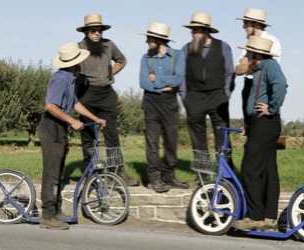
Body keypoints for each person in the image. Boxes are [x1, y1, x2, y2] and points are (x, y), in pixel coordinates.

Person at [38, 42, 107, 230]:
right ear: (74, 62)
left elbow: (76, 104)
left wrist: (95, 118)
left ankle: (56, 210)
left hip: (59, 128)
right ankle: (47, 216)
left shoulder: (70, 78)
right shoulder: (60, 78)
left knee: (59, 171)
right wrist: (72, 121)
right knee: (52, 172)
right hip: (51, 127)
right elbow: (50, 106)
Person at [75, 13, 139, 186]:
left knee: (112, 135)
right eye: (94, 30)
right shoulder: (79, 47)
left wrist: (111, 73)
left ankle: (118, 170)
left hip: (107, 95)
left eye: (99, 30)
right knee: (88, 134)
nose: (97, 33)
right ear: (86, 31)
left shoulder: (109, 45)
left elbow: (122, 60)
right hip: (86, 93)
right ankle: (90, 170)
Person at [233, 36, 287, 231]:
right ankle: (269, 218)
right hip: (259, 123)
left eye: (248, 52)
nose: (245, 55)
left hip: (266, 122)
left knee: (249, 168)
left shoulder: (270, 66)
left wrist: (271, 108)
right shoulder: (258, 70)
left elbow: (281, 85)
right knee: (267, 170)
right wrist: (249, 124)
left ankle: (255, 216)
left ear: (256, 54)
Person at [139, 22, 189, 193]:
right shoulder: (146, 58)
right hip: (150, 102)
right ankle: (154, 178)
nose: (146, 41)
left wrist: (157, 80)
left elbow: (178, 79)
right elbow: (144, 82)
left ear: (159, 39)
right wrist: (164, 84)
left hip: (169, 102)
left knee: (171, 140)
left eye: (149, 38)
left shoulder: (178, 55)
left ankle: (169, 175)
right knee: (152, 142)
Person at [181, 12, 236, 167]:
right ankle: (203, 171)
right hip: (194, 97)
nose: (193, 33)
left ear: (206, 31)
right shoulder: (185, 49)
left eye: (196, 30)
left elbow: (230, 71)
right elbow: (181, 76)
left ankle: (224, 171)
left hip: (218, 96)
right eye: (192, 30)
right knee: (197, 138)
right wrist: (185, 97)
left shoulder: (223, 47)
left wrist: (226, 93)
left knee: (222, 134)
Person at [235, 8, 282, 121]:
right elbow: (237, 70)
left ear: (256, 24)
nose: (243, 27)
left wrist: (248, 63)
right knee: (250, 127)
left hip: (263, 88)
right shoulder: (249, 44)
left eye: (246, 23)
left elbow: (265, 67)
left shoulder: (272, 41)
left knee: (261, 124)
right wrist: (251, 65)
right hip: (248, 86)